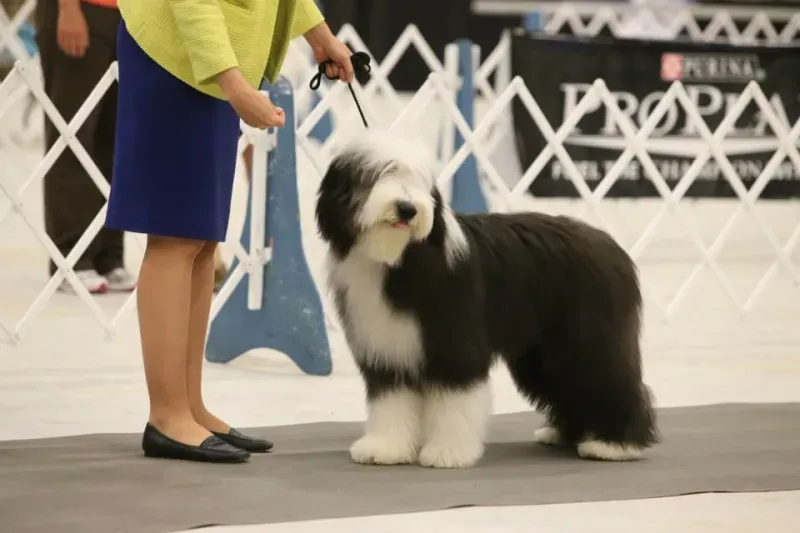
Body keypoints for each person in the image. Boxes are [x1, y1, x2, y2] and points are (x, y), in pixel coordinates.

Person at [104, 0, 354, 463]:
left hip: (216, 56)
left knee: (200, 241)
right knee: (174, 239)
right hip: (176, 55)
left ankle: (188, 405)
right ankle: (166, 416)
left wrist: (321, 37)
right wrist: (234, 82)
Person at [36, 0, 136, 294]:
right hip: (79, 10)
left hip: (128, 14)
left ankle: (109, 255)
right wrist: (68, 8)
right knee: (73, 136)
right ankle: (72, 257)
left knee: (115, 138)